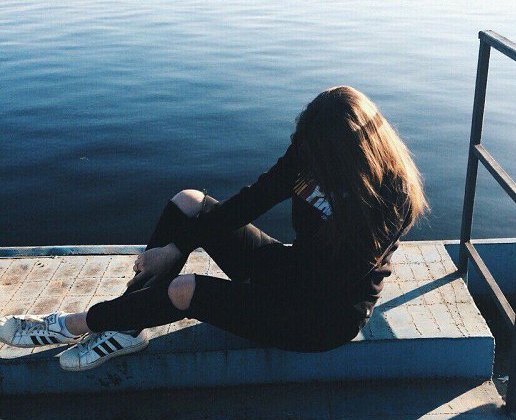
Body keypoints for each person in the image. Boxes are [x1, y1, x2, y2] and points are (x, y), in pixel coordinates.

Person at [0, 85, 428, 371]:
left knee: (185, 291)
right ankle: (126, 326)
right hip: (294, 269)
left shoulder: (390, 199)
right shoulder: (311, 150)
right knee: (190, 203)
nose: (306, 160)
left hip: (321, 314)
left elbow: (324, 282)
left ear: (351, 157)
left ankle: (74, 324)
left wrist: (228, 293)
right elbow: (254, 199)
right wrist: (177, 247)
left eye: (317, 157)